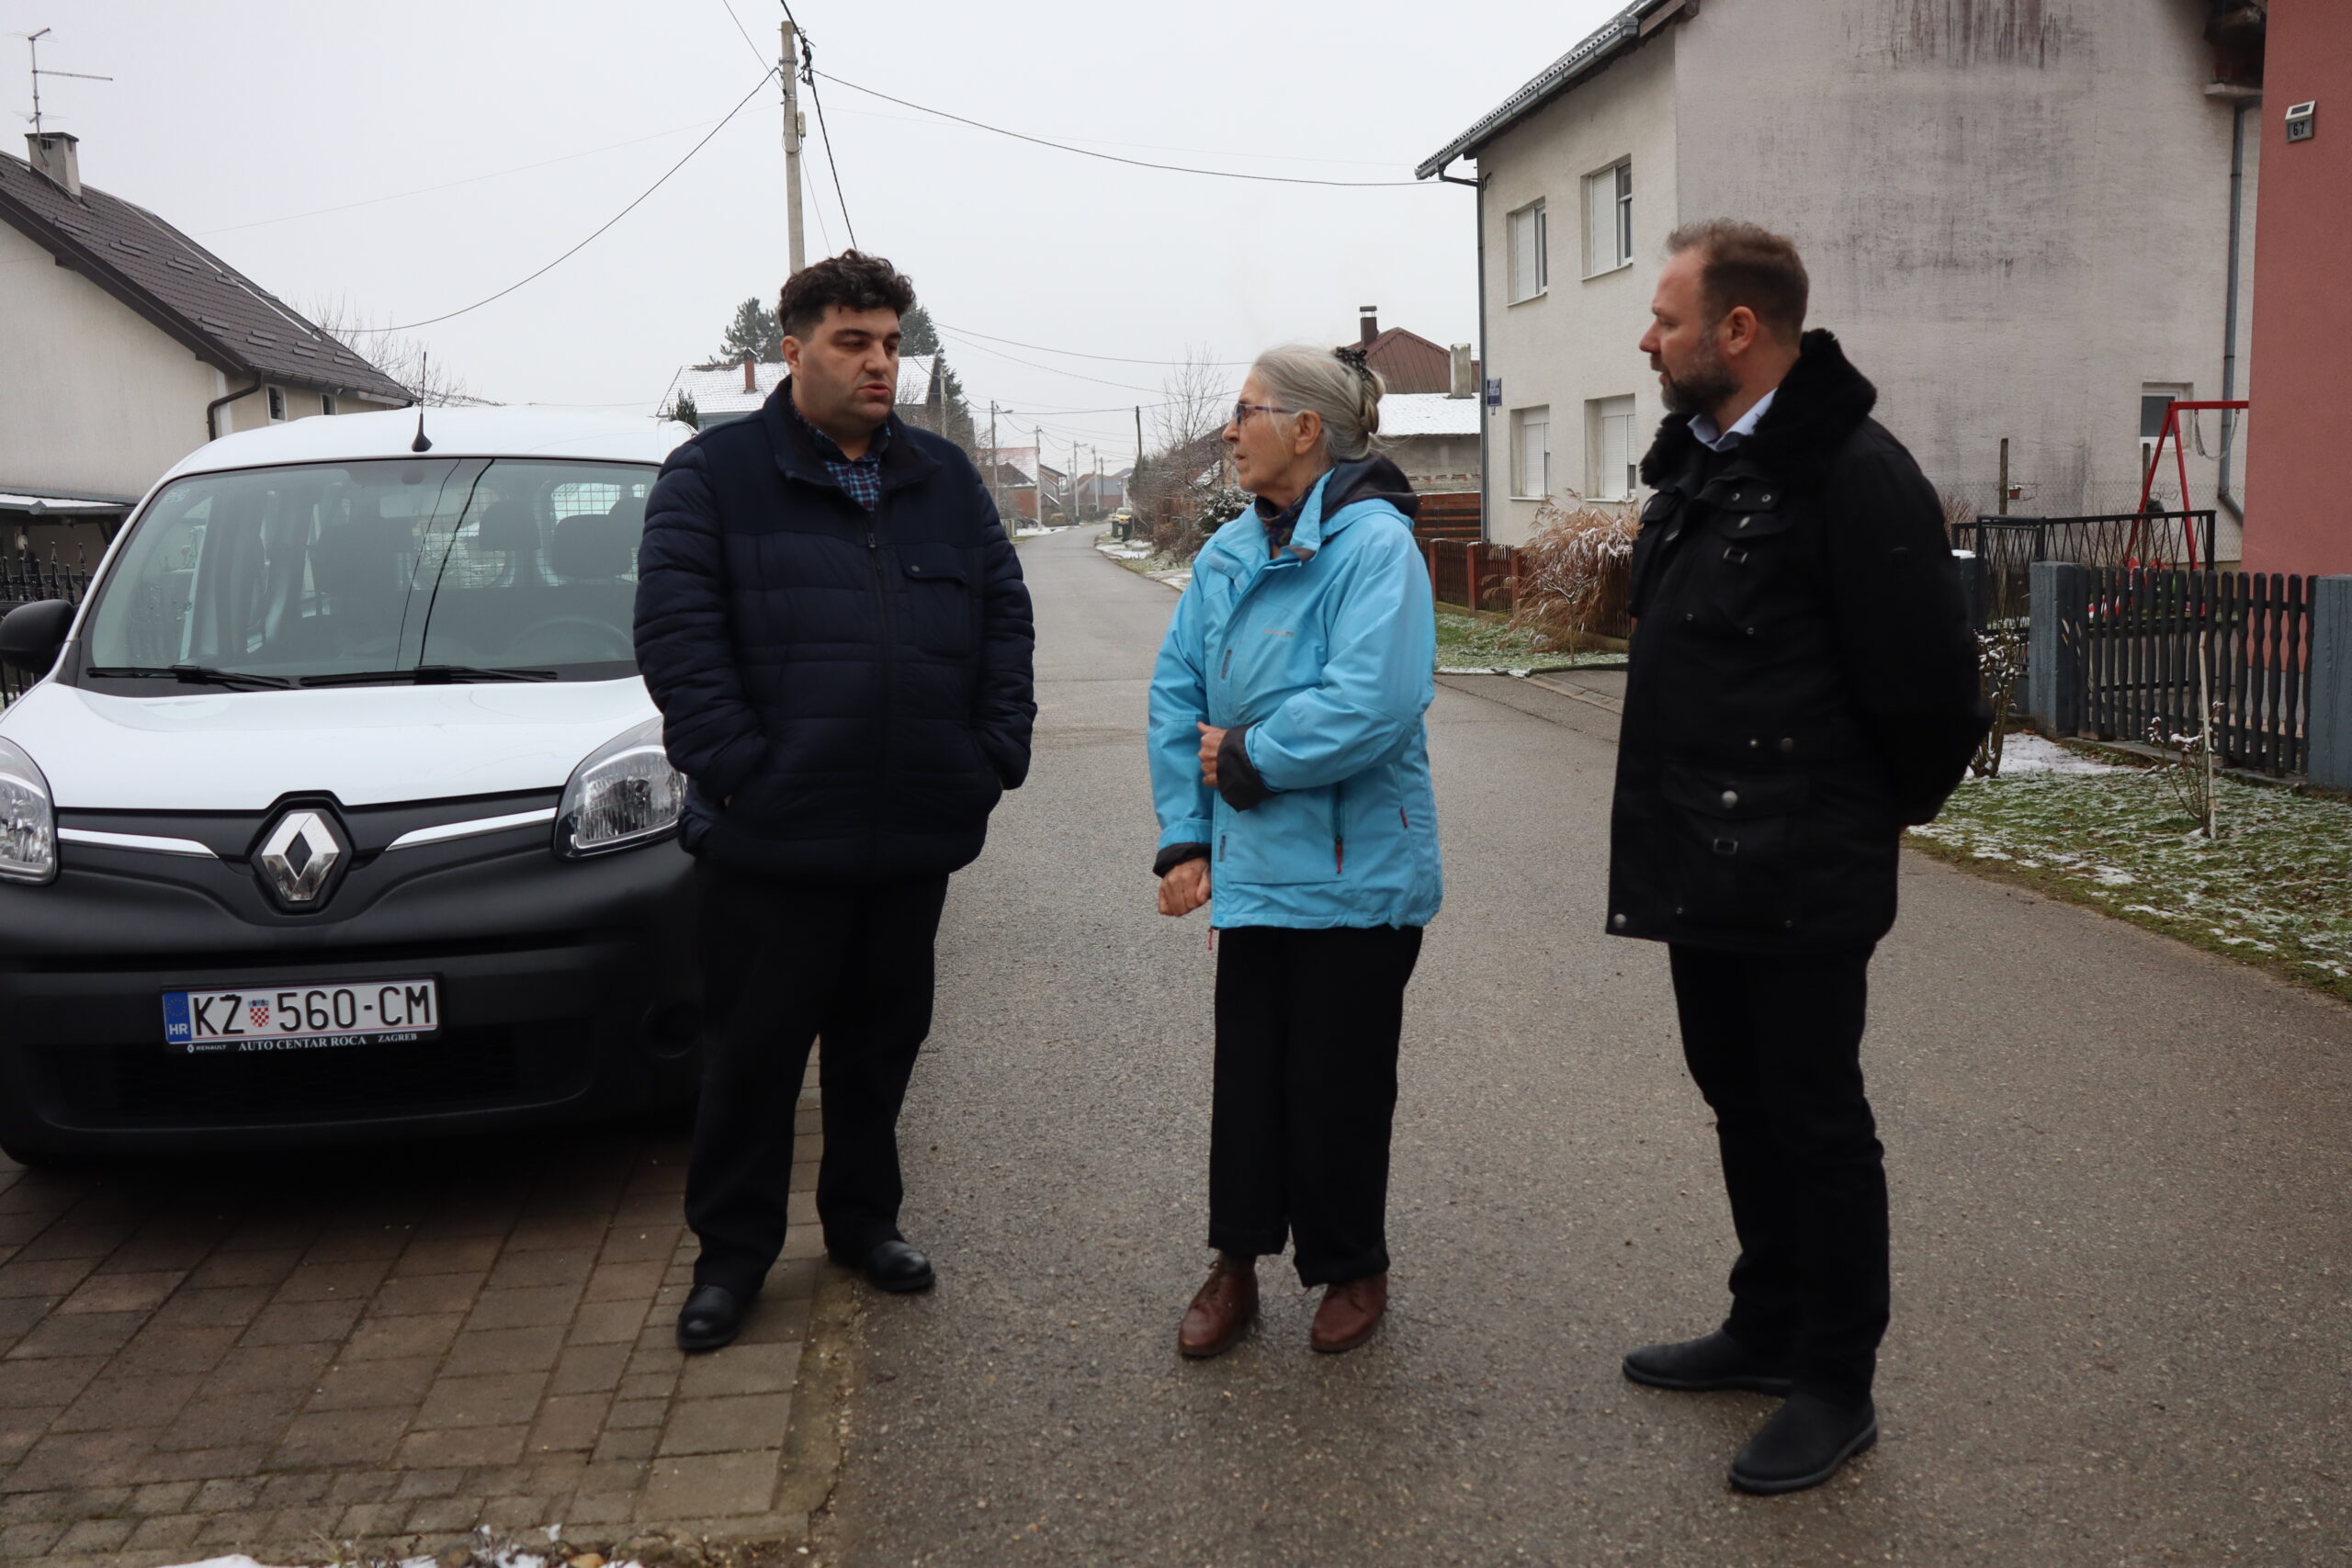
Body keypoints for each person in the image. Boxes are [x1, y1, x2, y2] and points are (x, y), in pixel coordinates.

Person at [1607, 220, 1987, 1491]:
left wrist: (1852, 826)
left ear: (1738, 329)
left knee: (1815, 1118)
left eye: (1666, 319)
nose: (1646, 340)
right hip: (1703, 856)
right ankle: (1766, 1322)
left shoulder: (1853, 473)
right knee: (1740, 1096)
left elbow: (1929, 694)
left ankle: (1835, 1379)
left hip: (1802, 868)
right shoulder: (1705, 466)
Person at [635, 251, 1035, 1353]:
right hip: (770, 840)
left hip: (909, 833)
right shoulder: (712, 477)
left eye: (891, 344)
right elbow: (678, 641)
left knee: (880, 1047)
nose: (879, 364)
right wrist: (743, 772)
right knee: (752, 1061)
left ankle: (864, 1225)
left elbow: (1004, 618)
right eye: (853, 342)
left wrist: (989, 754)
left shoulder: (941, 478)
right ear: (793, 350)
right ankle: (732, 1259)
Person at [1148, 344, 1442, 1358]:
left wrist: (1246, 756)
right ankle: (1235, 1263)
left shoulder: (1374, 546)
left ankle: (1352, 1263)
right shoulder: (1229, 552)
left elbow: (1375, 702)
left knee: (1338, 1084)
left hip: (1358, 876)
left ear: (1307, 430)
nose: (1230, 431)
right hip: (1257, 873)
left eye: (1248, 411)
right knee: (1248, 1083)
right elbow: (1176, 693)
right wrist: (1185, 837)